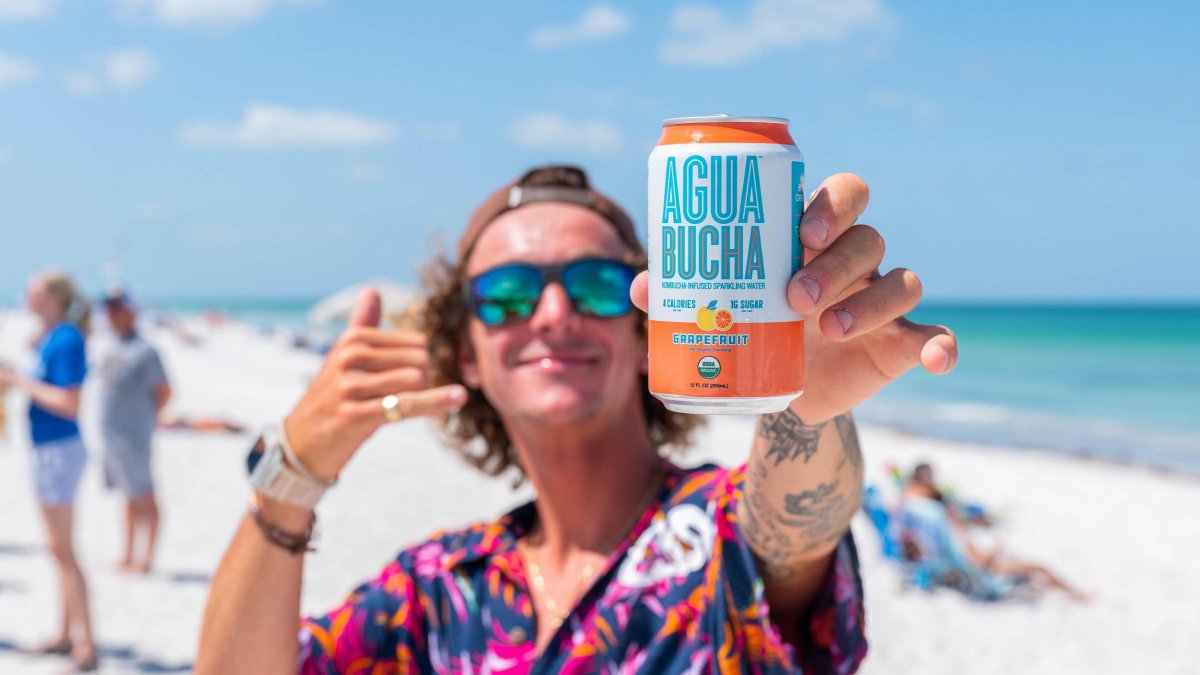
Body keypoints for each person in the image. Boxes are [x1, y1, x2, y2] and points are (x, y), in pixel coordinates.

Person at [197, 166, 958, 673]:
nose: (554, 314)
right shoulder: (436, 589)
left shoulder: (713, 534)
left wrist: (803, 404)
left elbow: (792, 527)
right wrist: (289, 477)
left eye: (596, 285)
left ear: (644, 334)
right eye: (507, 293)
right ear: (466, 351)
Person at [0, 270, 99, 672]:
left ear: (55, 297)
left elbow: (70, 402)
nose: (28, 296)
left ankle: (86, 643)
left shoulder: (66, 338)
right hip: (48, 449)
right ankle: (67, 632)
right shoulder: (52, 338)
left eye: (35, 291)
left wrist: (19, 382)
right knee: (58, 550)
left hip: (59, 449)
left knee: (65, 550)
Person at [897, 463, 1089, 601]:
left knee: (1031, 573)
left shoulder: (920, 520)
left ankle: (1054, 590)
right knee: (1040, 567)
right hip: (987, 570)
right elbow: (979, 560)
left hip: (969, 566)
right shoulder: (954, 532)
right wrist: (996, 548)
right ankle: (1077, 594)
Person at [95, 288, 171, 574]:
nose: (111, 315)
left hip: (134, 437)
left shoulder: (145, 351)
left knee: (144, 496)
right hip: (112, 438)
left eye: (117, 309)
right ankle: (127, 555)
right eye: (109, 310)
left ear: (131, 312)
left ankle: (146, 560)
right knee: (127, 496)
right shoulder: (110, 345)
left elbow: (164, 391)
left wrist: (146, 420)